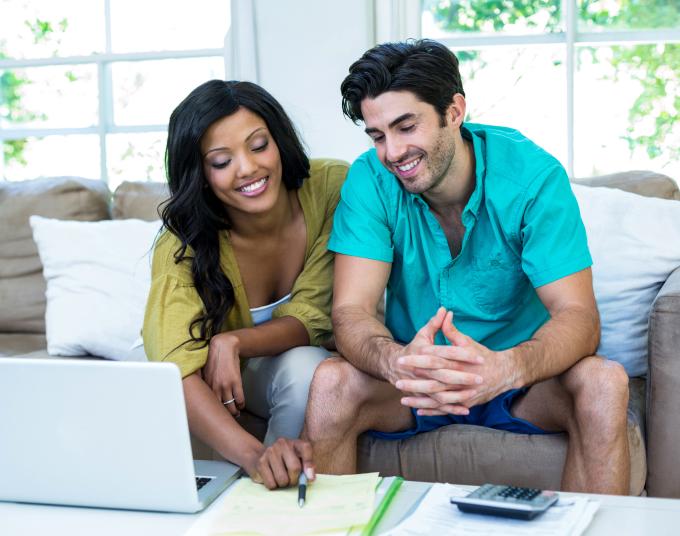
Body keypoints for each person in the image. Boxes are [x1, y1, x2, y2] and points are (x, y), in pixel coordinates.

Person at [302, 40, 631, 494]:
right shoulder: (369, 179)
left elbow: (578, 316)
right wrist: (396, 360)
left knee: (604, 381)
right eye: (378, 136)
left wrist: (505, 368)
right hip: (415, 381)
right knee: (332, 381)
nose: (392, 152)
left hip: (520, 382)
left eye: (405, 126)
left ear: (454, 111)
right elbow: (351, 312)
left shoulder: (533, 178)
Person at [143, 80, 348, 489]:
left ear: (279, 139)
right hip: (197, 373)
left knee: (308, 365)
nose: (248, 169)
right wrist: (257, 457)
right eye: (221, 162)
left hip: (266, 363)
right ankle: (253, 494)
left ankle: (283, 505)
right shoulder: (181, 242)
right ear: (200, 173)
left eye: (258, 146)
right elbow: (176, 367)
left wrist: (233, 342)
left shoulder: (331, 188)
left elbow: (318, 315)